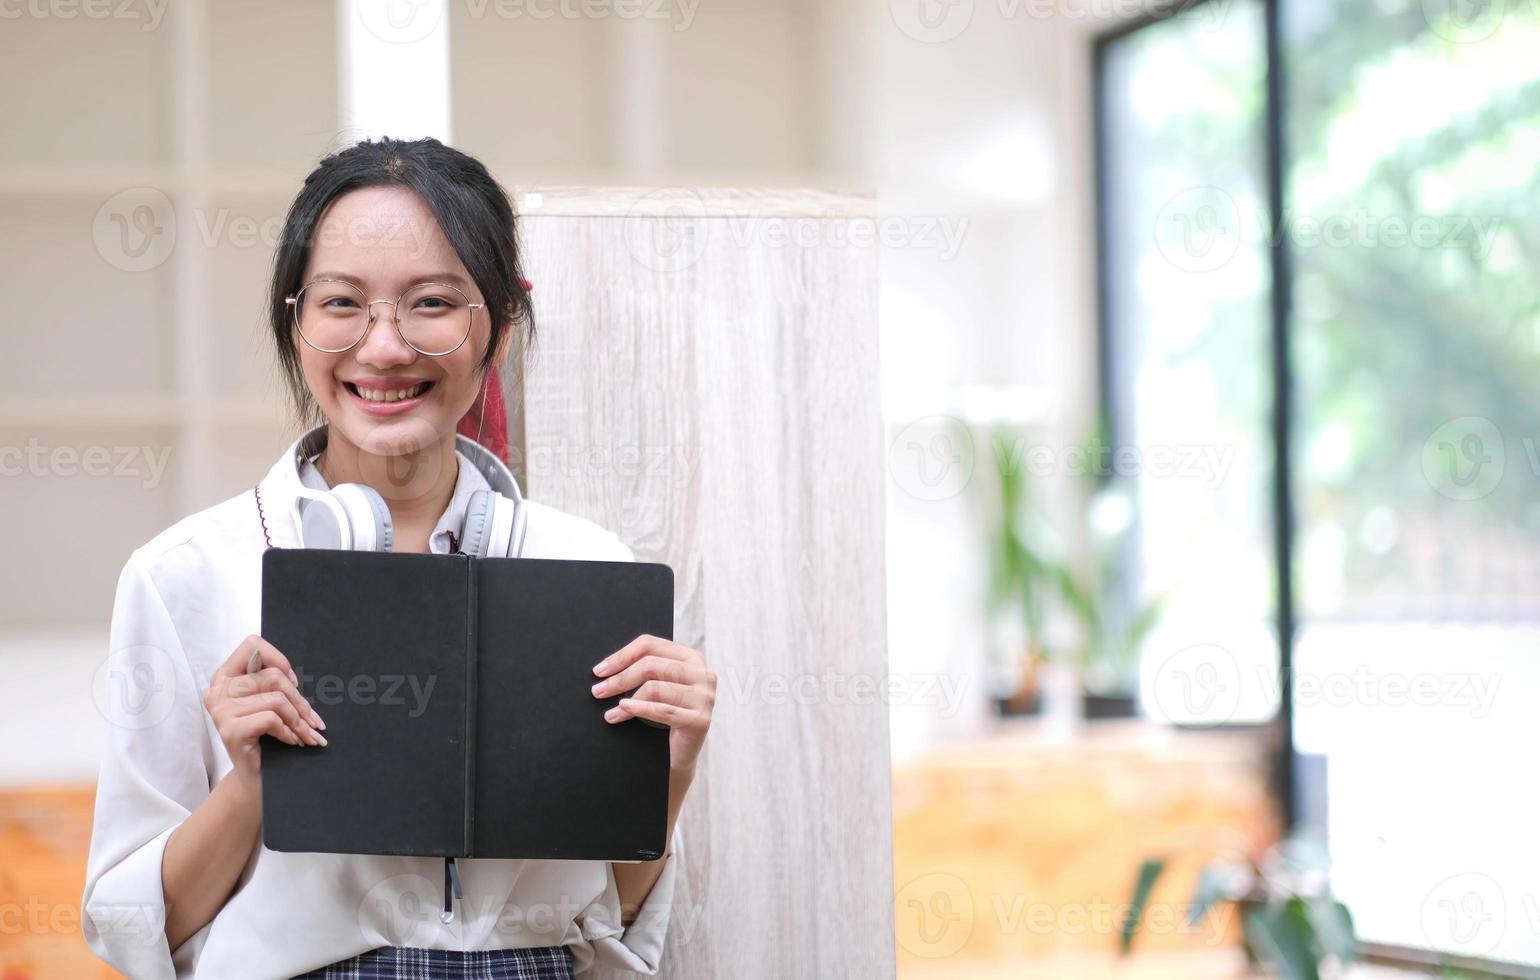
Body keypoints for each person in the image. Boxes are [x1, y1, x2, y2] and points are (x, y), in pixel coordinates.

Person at [79, 137, 715, 979]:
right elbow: (139, 933)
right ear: (293, 319)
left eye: (432, 304)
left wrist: (666, 774)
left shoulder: (586, 566)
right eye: (342, 303)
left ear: (499, 327)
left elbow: (613, 915)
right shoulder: (183, 574)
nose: (384, 348)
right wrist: (251, 787)